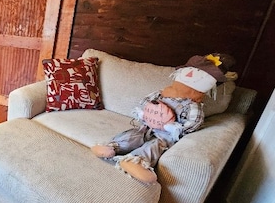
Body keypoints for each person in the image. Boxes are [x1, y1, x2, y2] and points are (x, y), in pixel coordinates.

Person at [91, 53, 235, 184]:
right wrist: (143, 112)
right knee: (133, 135)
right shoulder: (162, 94)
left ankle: (136, 161)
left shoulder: (192, 106)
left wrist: (173, 127)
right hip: (147, 126)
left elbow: (194, 123)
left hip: (165, 134)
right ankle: (112, 147)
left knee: (155, 145)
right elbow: (145, 102)